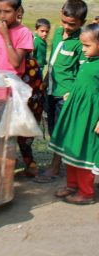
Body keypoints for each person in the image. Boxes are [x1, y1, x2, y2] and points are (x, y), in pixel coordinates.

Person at [0, 0, 36, 174]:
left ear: (18, 11)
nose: (2, 16)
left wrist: (6, 38)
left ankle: (6, 170)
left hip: (11, 92)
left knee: (8, 133)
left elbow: (15, 62)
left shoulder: (23, 33)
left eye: (7, 11)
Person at [35, 0, 88, 183]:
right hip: (50, 90)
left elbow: (83, 72)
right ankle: (56, 164)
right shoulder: (57, 33)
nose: (66, 27)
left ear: (82, 23)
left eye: (72, 24)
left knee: (60, 131)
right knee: (52, 130)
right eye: (64, 21)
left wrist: (73, 93)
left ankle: (54, 168)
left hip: (65, 95)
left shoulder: (81, 43)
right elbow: (53, 62)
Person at [49, 23, 99, 204]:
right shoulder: (89, 62)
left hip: (89, 117)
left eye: (87, 46)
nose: (83, 49)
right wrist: (74, 93)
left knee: (83, 151)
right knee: (71, 148)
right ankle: (72, 184)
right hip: (76, 114)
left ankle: (86, 193)